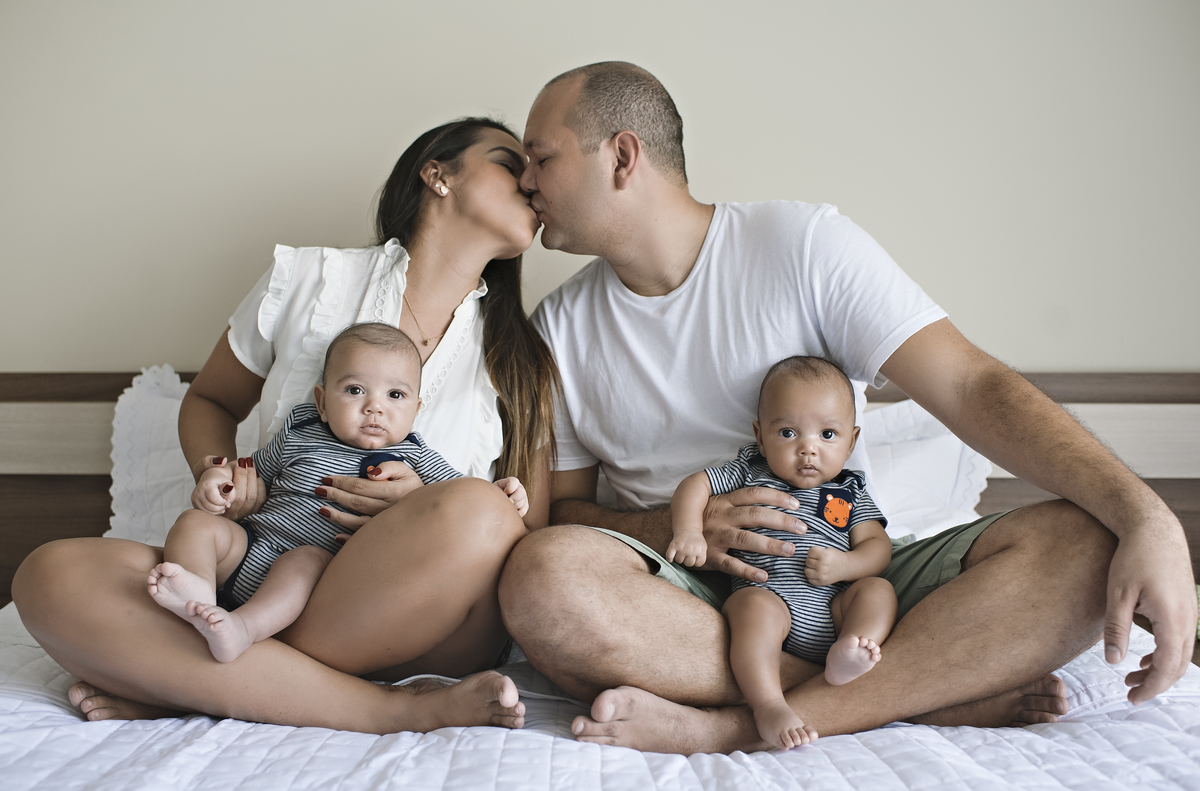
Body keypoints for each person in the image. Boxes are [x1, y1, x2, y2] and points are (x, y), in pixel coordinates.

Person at [498, 61, 1197, 754]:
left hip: (850, 585)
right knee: (541, 577)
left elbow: (970, 385)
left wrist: (1147, 516)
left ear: (622, 156)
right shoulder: (557, 330)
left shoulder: (801, 246)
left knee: (1089, 543)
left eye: (541, 157)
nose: (526, 181)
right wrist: (682, 524)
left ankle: (743, 724)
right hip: (683, 604)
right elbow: (564, 514)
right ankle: (926, 695)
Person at [13, 117, 561, 734]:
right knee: (50, 576)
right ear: (437, 174)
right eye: (510, 163)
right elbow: (210, 402)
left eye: (538, 170)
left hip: (419, 619)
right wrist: (224, 474)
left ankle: (199, 680)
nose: (534, 182)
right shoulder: (305, 278)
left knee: (477, 512)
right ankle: (304, 691)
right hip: (260, 573)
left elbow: (529, 538)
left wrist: (424, 506)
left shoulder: (523, 359)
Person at [151, 323, 529, 664]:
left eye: (395, 395)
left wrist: (501, 492)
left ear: (416, 410)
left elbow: (458, 500)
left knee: (304, 560)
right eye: (355, 390)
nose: (374, 407)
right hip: (249, 548)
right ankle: (196, 599)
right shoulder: (298, 433)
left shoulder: (414, 456)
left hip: (316, 583)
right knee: (195, 524)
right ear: (322, 402)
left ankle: (242, 630)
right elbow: (249, 477)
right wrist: (218, 484)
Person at [668, 356, 895, 749]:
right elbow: (695, 485)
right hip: (770, 600)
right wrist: (689, 531)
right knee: (750, 606)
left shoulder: (850, 491)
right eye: (789, 433)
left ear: (852, 441)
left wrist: (848, 564)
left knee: (877, 590)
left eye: (827, 435)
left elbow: (878, 547)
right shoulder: (750, 470)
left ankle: (853, 649)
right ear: (760, 436)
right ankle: (768, 704)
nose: (808, 449)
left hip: (831, 609)